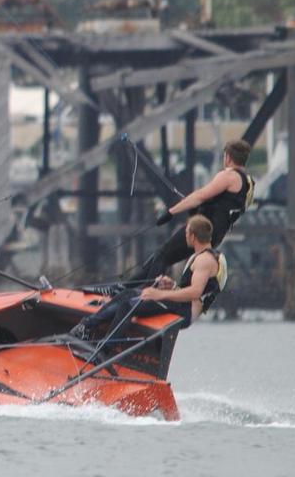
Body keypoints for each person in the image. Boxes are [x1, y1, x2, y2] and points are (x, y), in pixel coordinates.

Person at [70, 214, 225, 343]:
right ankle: (86, 326)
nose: (184, 236)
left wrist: (159, 294)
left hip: (185, 312)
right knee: (127, 294)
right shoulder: (200, 256)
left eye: (186, 233)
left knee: (129, 305)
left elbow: (195, 293)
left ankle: (105, 349)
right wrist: (171, 285)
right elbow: (192, 289)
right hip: (180, 305)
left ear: (193, 236)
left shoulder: (205, 260)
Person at [137, 138, 254, 282]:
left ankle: (146, 296)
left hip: (201, 229)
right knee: (161, 257)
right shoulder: (248, 184)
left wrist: (170, 213)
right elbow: (224, 206)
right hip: (215, 235)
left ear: (228, 157)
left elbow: (200, 196)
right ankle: (127, 287)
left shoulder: (228, 175)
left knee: (162, 254)